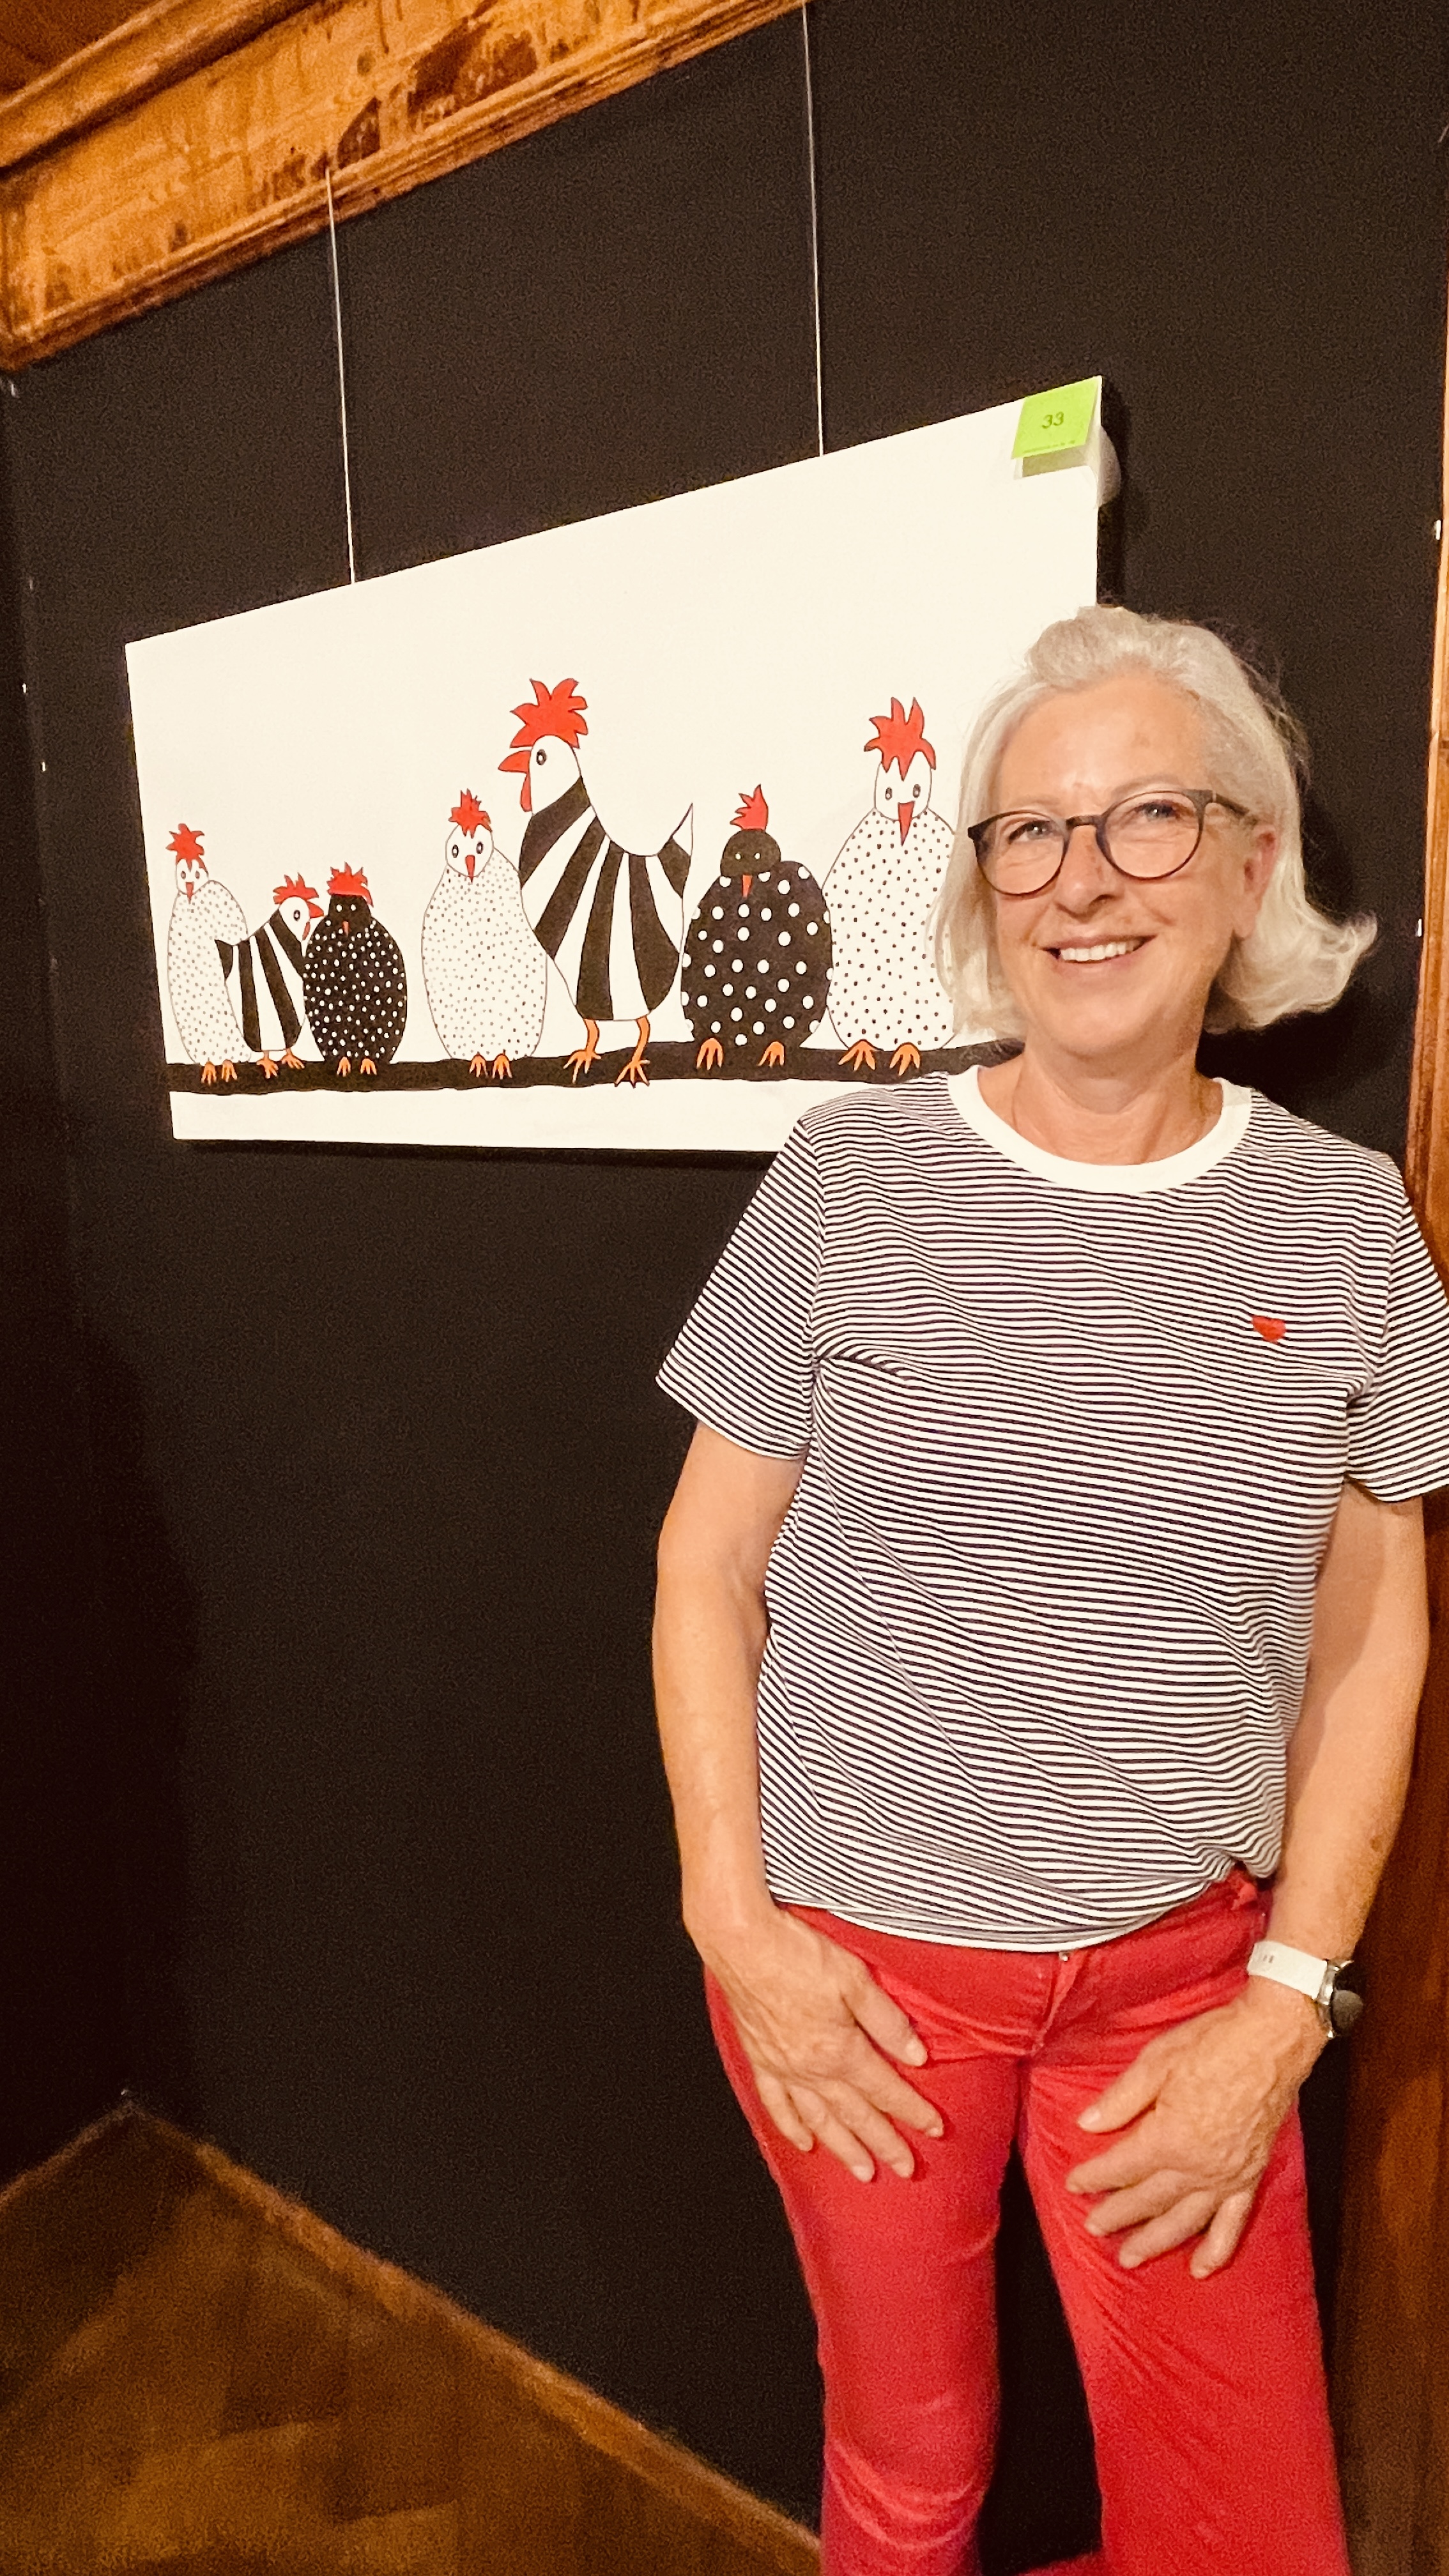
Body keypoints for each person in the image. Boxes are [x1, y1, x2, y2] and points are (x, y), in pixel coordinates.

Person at [652, 604, 1449, 2576]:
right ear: (984, 881)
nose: (1080, 879)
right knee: (912, 2477)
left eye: (1145, 818)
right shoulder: (844, 1178)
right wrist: (734, 1925)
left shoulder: (1347, 1222)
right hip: (865, 1988)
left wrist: (1287, 2006)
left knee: (1247, 2536)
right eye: (1029, 831)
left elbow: (1373, 1642)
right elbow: (705, 1564)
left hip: (1185, 1996)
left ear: (1250, 864)